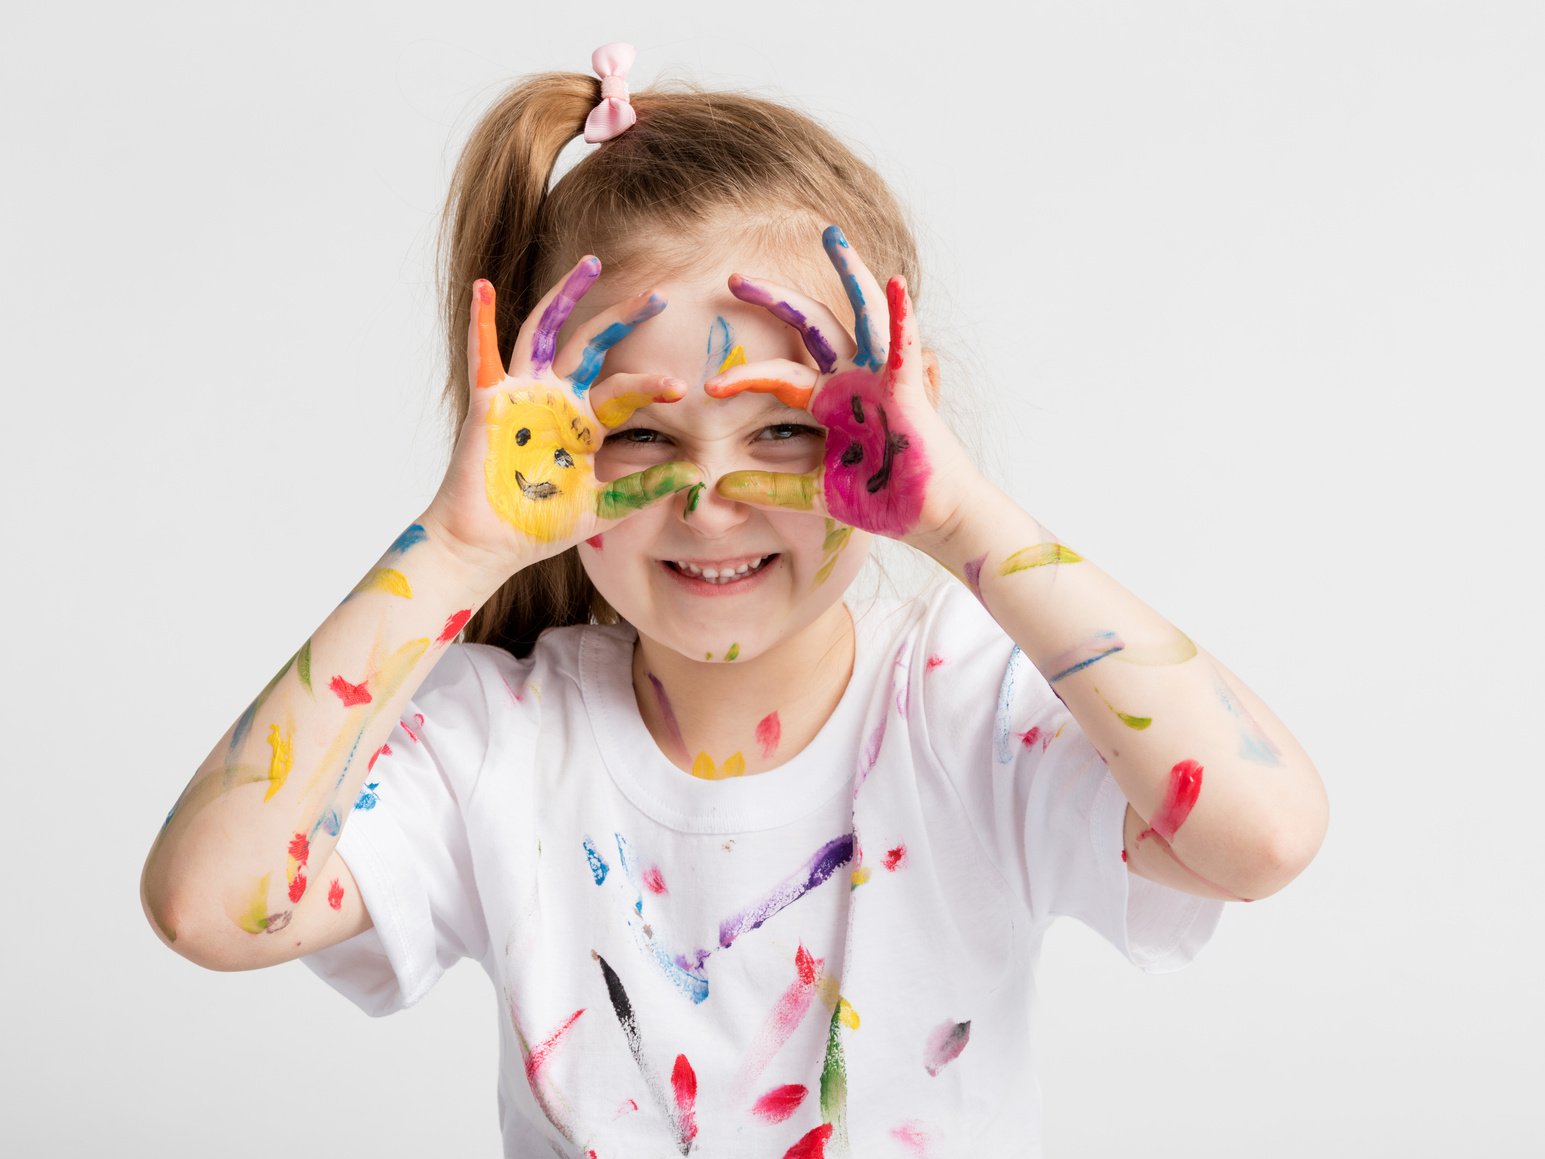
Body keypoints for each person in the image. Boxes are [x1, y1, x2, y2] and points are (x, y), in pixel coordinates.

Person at [140, 42, 1328, 1158]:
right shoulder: (495, 741)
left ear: (893, 425)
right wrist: (456, 547)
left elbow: (1262, 836)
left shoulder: (966, 706)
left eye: (784, 430)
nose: (708, 497)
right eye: (640, 431)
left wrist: (962, 515)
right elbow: (206, 908)